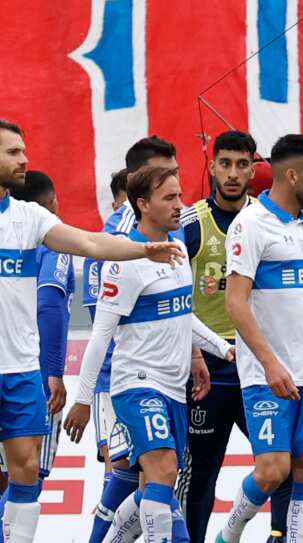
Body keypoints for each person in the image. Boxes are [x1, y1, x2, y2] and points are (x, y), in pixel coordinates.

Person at [0, 120, 182, 543]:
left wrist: (143, 249)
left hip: (20, 369)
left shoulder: (29, 218)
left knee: (25, 471)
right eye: (13, 152)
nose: (24, 159)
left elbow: (91, 244)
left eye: (23, 150)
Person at [63, 166, 231, 543]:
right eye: (169, 198)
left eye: (180, 195)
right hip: (137, 385)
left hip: (173, 388)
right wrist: (82, 399)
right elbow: (100, 335)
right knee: (165, 470)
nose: (179, 205)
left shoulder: (175, 250)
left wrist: (221, 348)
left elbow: (182, 315)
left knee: (150, 487)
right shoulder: (124, 261)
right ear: (143, 204)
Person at [214, 134, 303, 543]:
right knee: (272, 470)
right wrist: (269, 363)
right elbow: (235, 302)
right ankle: (228, 535)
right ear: (291, 174)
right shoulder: (249, 225)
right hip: (268, 373)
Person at [174, 130, 292, 542]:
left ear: (254, 168)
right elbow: (172, 298)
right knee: (201, 472)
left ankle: (277, 535)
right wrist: (192, 351)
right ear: (211, 166)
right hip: (208, 368)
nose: (233, 173)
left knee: (281, 464)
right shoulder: (190, 223)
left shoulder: (267, 220)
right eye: (225, 163)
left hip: (257, 367)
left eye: (243, 164)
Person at [78, 136, 179, 543]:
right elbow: (103, 323)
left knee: (151, 480)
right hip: (120, 377)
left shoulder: (174, 226)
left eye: (176, 175)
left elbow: (177, 305)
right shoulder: (117, 240)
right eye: (165, 176)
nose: (175, 186)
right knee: (125, 471)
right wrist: (86, 396)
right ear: (140, 183)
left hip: (166, 376)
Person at [0, 171, 75, 531]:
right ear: (51, 203)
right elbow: (50, 304)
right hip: (30, 372)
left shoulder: (28, 227)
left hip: (19, 369)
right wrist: (54, 369)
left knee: (17, 473)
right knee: (29, 474)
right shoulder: (50, 245)